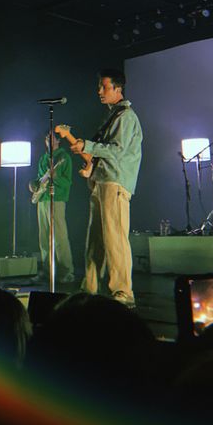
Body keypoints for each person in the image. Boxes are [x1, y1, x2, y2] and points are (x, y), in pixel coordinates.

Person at [70, 69, 143, 307]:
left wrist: (87, 145)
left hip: (115, 182)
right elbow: (105, 151)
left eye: (104, 87)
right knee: (96, 240)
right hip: (102, 181)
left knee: (115, 239)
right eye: (100, 87)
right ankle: (89, 287)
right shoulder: (114, 116)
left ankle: (123, 291)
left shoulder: (126, 116)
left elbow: (117, 150)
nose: (99, 91)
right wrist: (90, 163)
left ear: (117, 88)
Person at [30, 130, 75, 285]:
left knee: (60, 237)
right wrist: (33, 185)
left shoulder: (64, 158)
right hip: (42, 200)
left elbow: (67, 182)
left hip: (56, 200)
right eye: (47, 138)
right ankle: (46, 271)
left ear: (58, 141)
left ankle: (67, 271)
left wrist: (55, 177)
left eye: (52, 138)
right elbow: (39, 178)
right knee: (44, 238)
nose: (49, 140)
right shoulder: (43, 158)